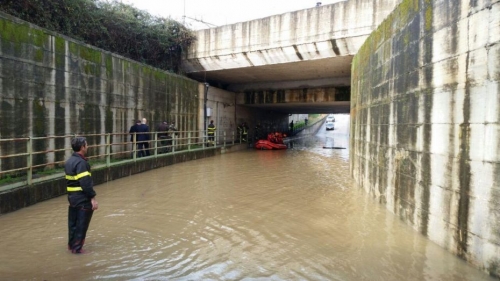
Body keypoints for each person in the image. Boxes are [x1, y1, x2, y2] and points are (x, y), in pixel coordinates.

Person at [65, 137, 98, 254]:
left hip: (72, 198)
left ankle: (71, 245)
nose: (87, 147)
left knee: (73, 224)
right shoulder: (82, 163)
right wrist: (93, 198)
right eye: (86, 145)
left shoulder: (69, 161)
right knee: (81, 225)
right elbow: (85, 183)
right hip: (82, 199)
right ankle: (77, 249)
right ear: (82, 147)